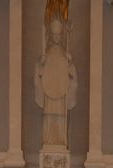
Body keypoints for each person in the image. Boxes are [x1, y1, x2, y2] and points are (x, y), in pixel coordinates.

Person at [34, 17, 77, 148]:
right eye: (54, 35)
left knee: (61, 116)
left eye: (59, 35)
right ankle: (48, 140)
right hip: (49, 92)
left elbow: (71, 74)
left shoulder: (65, 53)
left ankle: (60, 141)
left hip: (61, 93)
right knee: (48, 116)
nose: (57, 38)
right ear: (51, 36)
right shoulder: (46, 52)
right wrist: (41, 64)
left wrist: (69, 62)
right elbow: (40, 73)